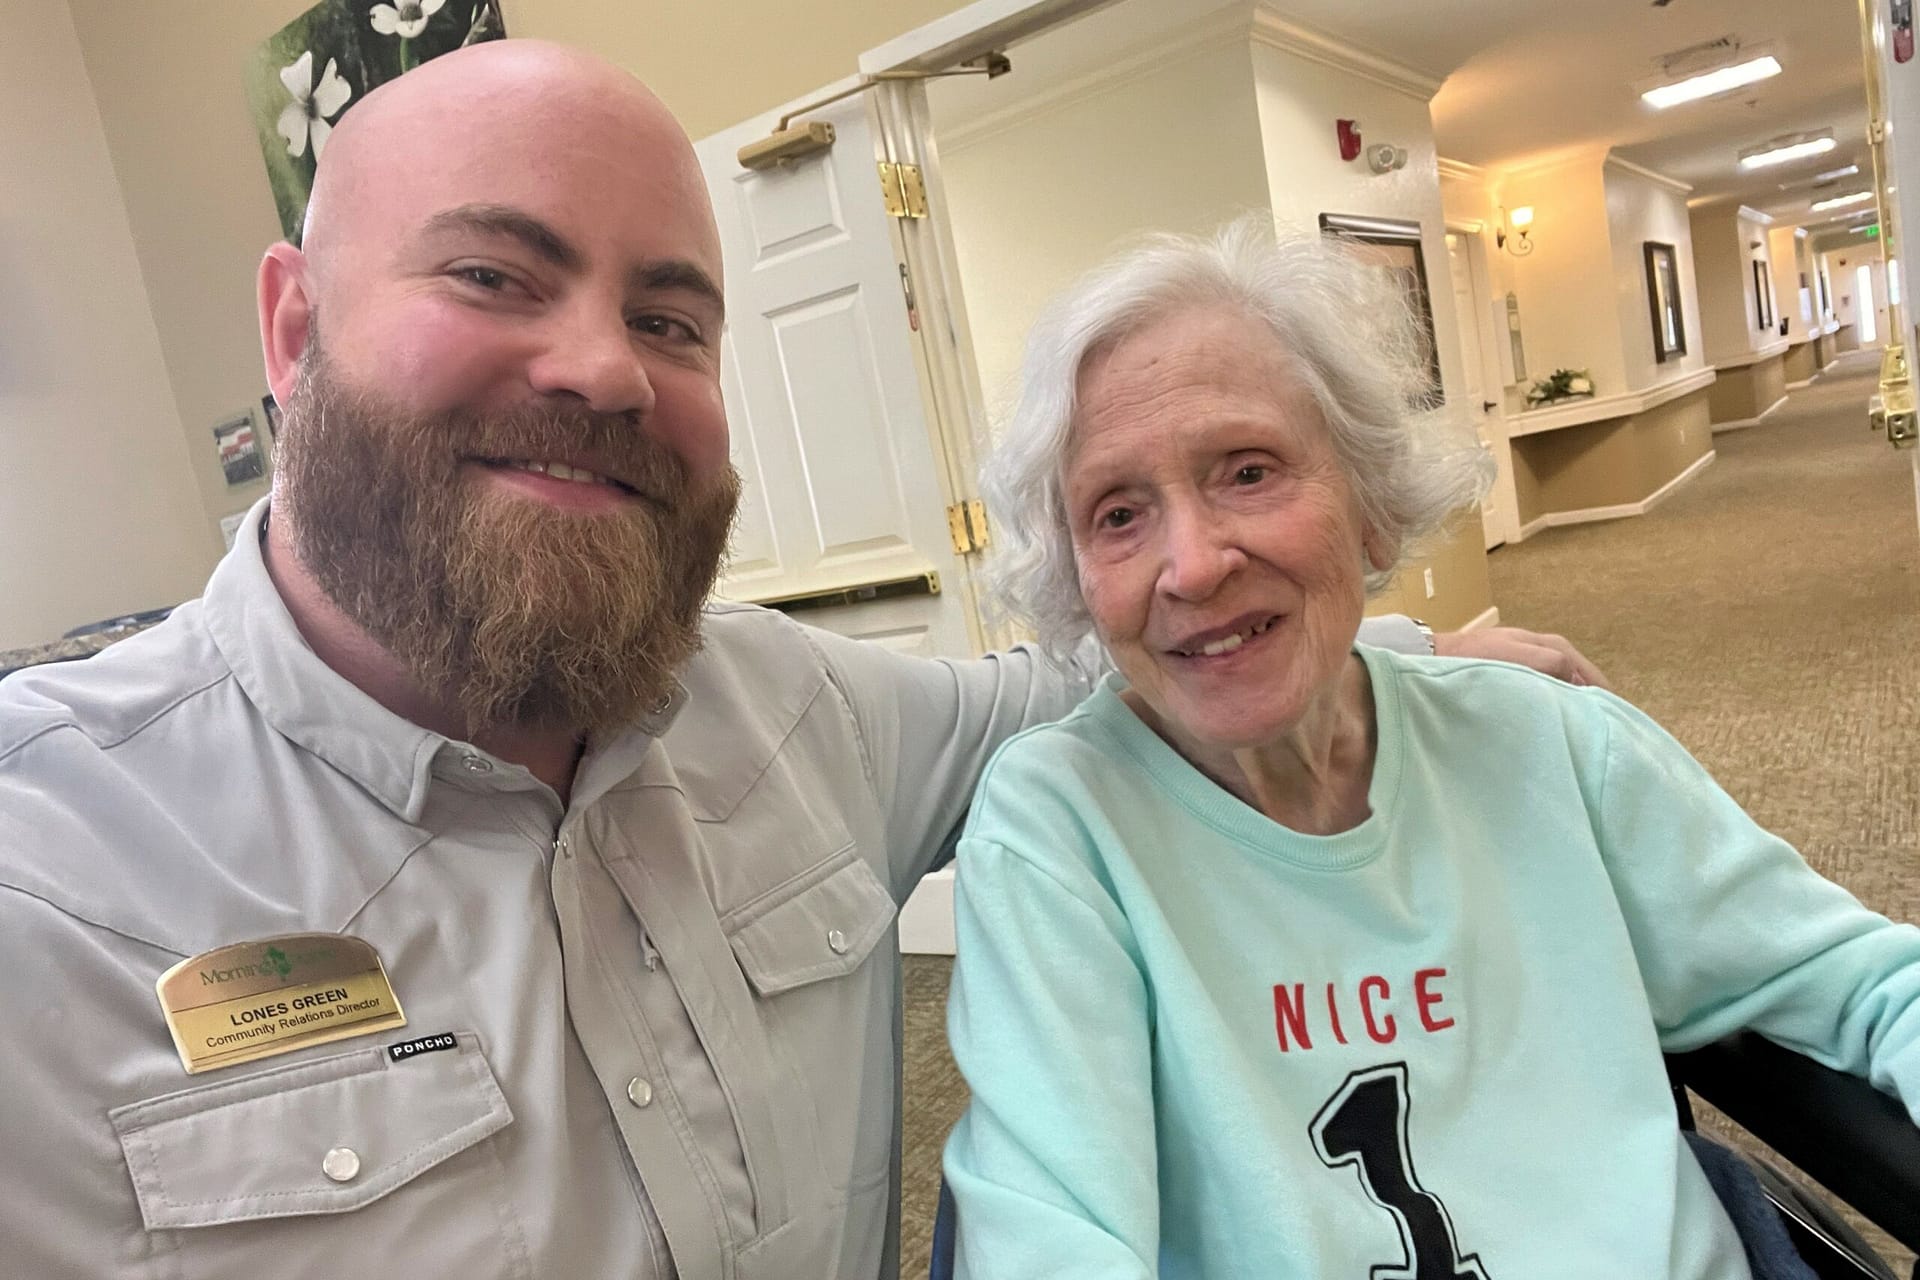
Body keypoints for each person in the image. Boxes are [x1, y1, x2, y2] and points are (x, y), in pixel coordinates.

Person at [0, 41, 1596, 1280]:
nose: (604, 368)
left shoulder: (795, 714)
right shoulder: (41, 878)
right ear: (292, 334)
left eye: (673, 319)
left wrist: (1399, 642)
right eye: (493, 274)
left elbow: (1100, 680)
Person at [939, 223, 1920, 1278]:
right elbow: (1049, 1238)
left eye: (1248, 470)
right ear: (1080, 579)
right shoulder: (1059, 832)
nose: (1192, 563)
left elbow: (1868, 983)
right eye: (1118, 512)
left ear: (1368, 504)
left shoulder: (1544, 738)